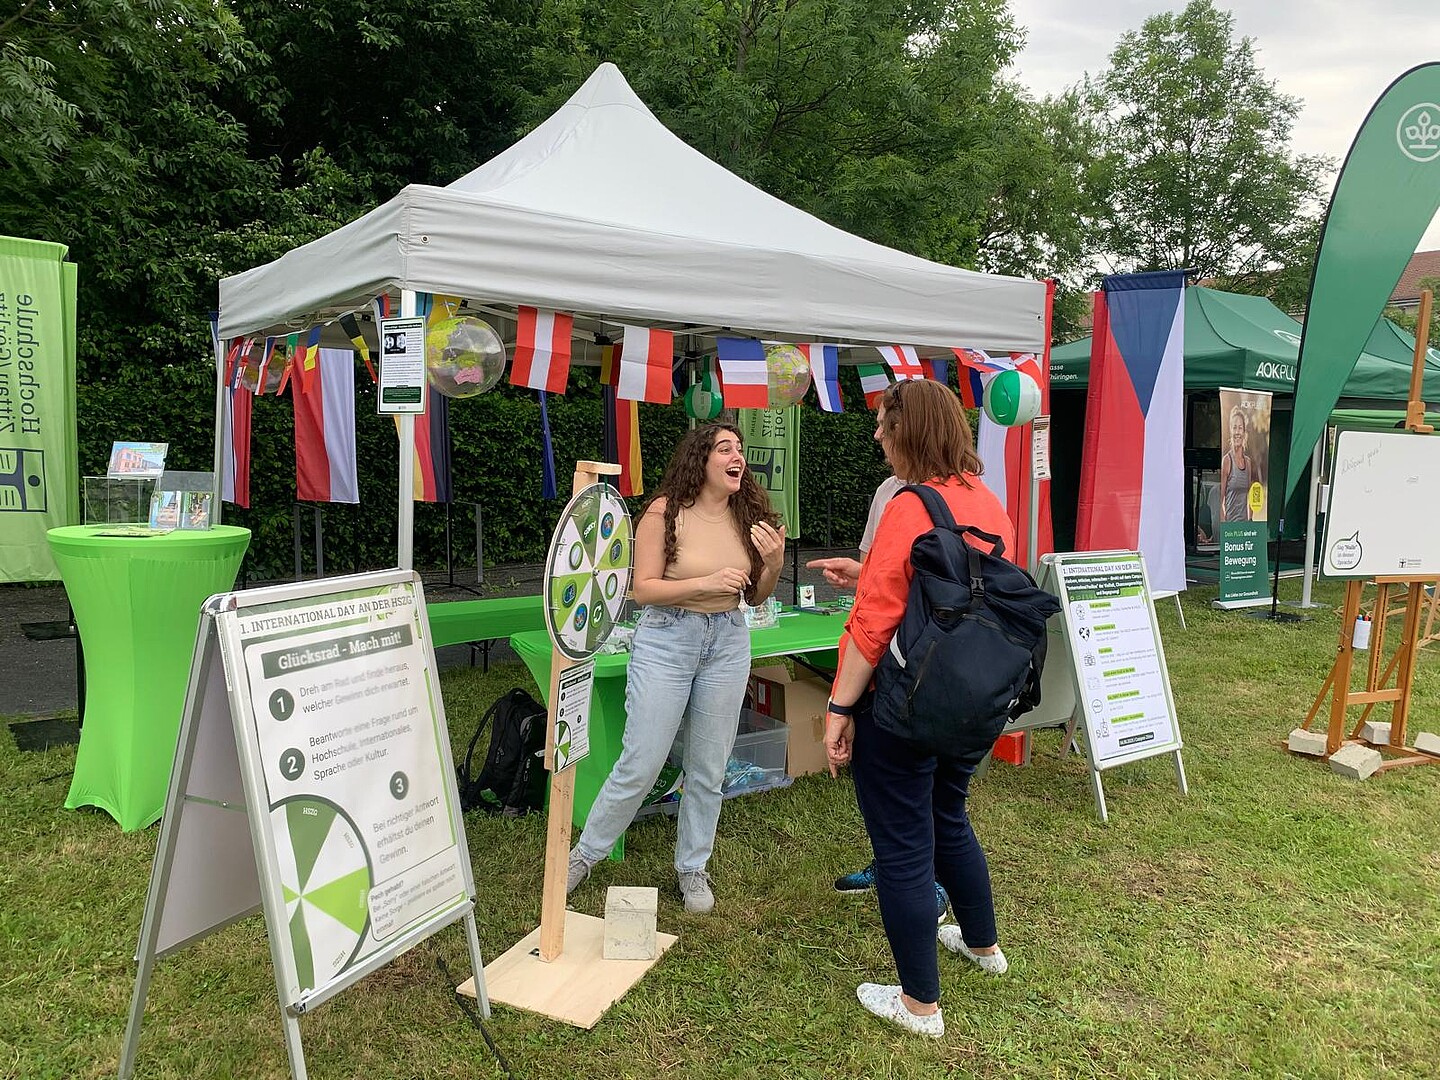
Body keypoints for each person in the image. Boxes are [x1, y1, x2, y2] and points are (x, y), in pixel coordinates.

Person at [824, 379, 1015, 1038]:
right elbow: (951, 588)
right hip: (969, 699)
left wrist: (839, 705)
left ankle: (919, 1005)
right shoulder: (986, 500)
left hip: (903, 703)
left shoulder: (909, 504)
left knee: (903, 846)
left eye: (885, 424)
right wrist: (871, 572)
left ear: (909, 431)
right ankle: (983, 946)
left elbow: (874, 624)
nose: (878, 435)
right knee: (948, 817)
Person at [567, 422, 787, 914]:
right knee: (642, 762)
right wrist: (704, 583)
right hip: (668, 638)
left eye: (740, 449)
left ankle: (692, 868)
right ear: (700, 460)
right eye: (724, 448)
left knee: (708, 767)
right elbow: (642, 589)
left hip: (728, 640)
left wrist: (773, 564)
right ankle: (585, 855)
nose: (737, 457)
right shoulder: (664, 513)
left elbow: (755, 596)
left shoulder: (748, 516)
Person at [808, 479, 950, 922]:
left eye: (886, 437)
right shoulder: (889, 490)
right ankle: (892, 867)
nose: (880, 443)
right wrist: (859, 573)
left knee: (925, 789)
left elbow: (888, 606)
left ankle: (926, 883)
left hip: (926, 665)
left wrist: (839, 706)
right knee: (885, 786)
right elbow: (881, 578)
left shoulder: (942, 494)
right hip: (887, 668)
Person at [1220, 405, 1262, 523]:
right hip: (1231, 526)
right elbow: (1220, 500)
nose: (1237, 432)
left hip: (1245, 526)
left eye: (1240, 428)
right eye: (1234, 428)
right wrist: (1225, 524)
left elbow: (1250, 496)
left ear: (1244, 432)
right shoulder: (1227, 461)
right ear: (1230, 431)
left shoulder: (1248, 462)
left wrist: (1250, 519)